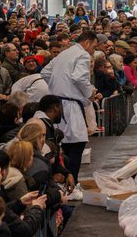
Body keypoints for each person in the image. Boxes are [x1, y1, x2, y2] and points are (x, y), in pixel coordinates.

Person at [40, 29, 99, 189]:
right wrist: (90, 93)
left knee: (63, 145)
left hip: (57, 103)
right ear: (86, 43)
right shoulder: (82, 54)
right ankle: (73, 183)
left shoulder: (63, 54)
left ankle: (64, 183)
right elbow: (79, 77)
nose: (93, 51)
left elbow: (45, 72)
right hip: (70, 104)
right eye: (94, 47)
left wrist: (57, 86)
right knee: (77, 144)